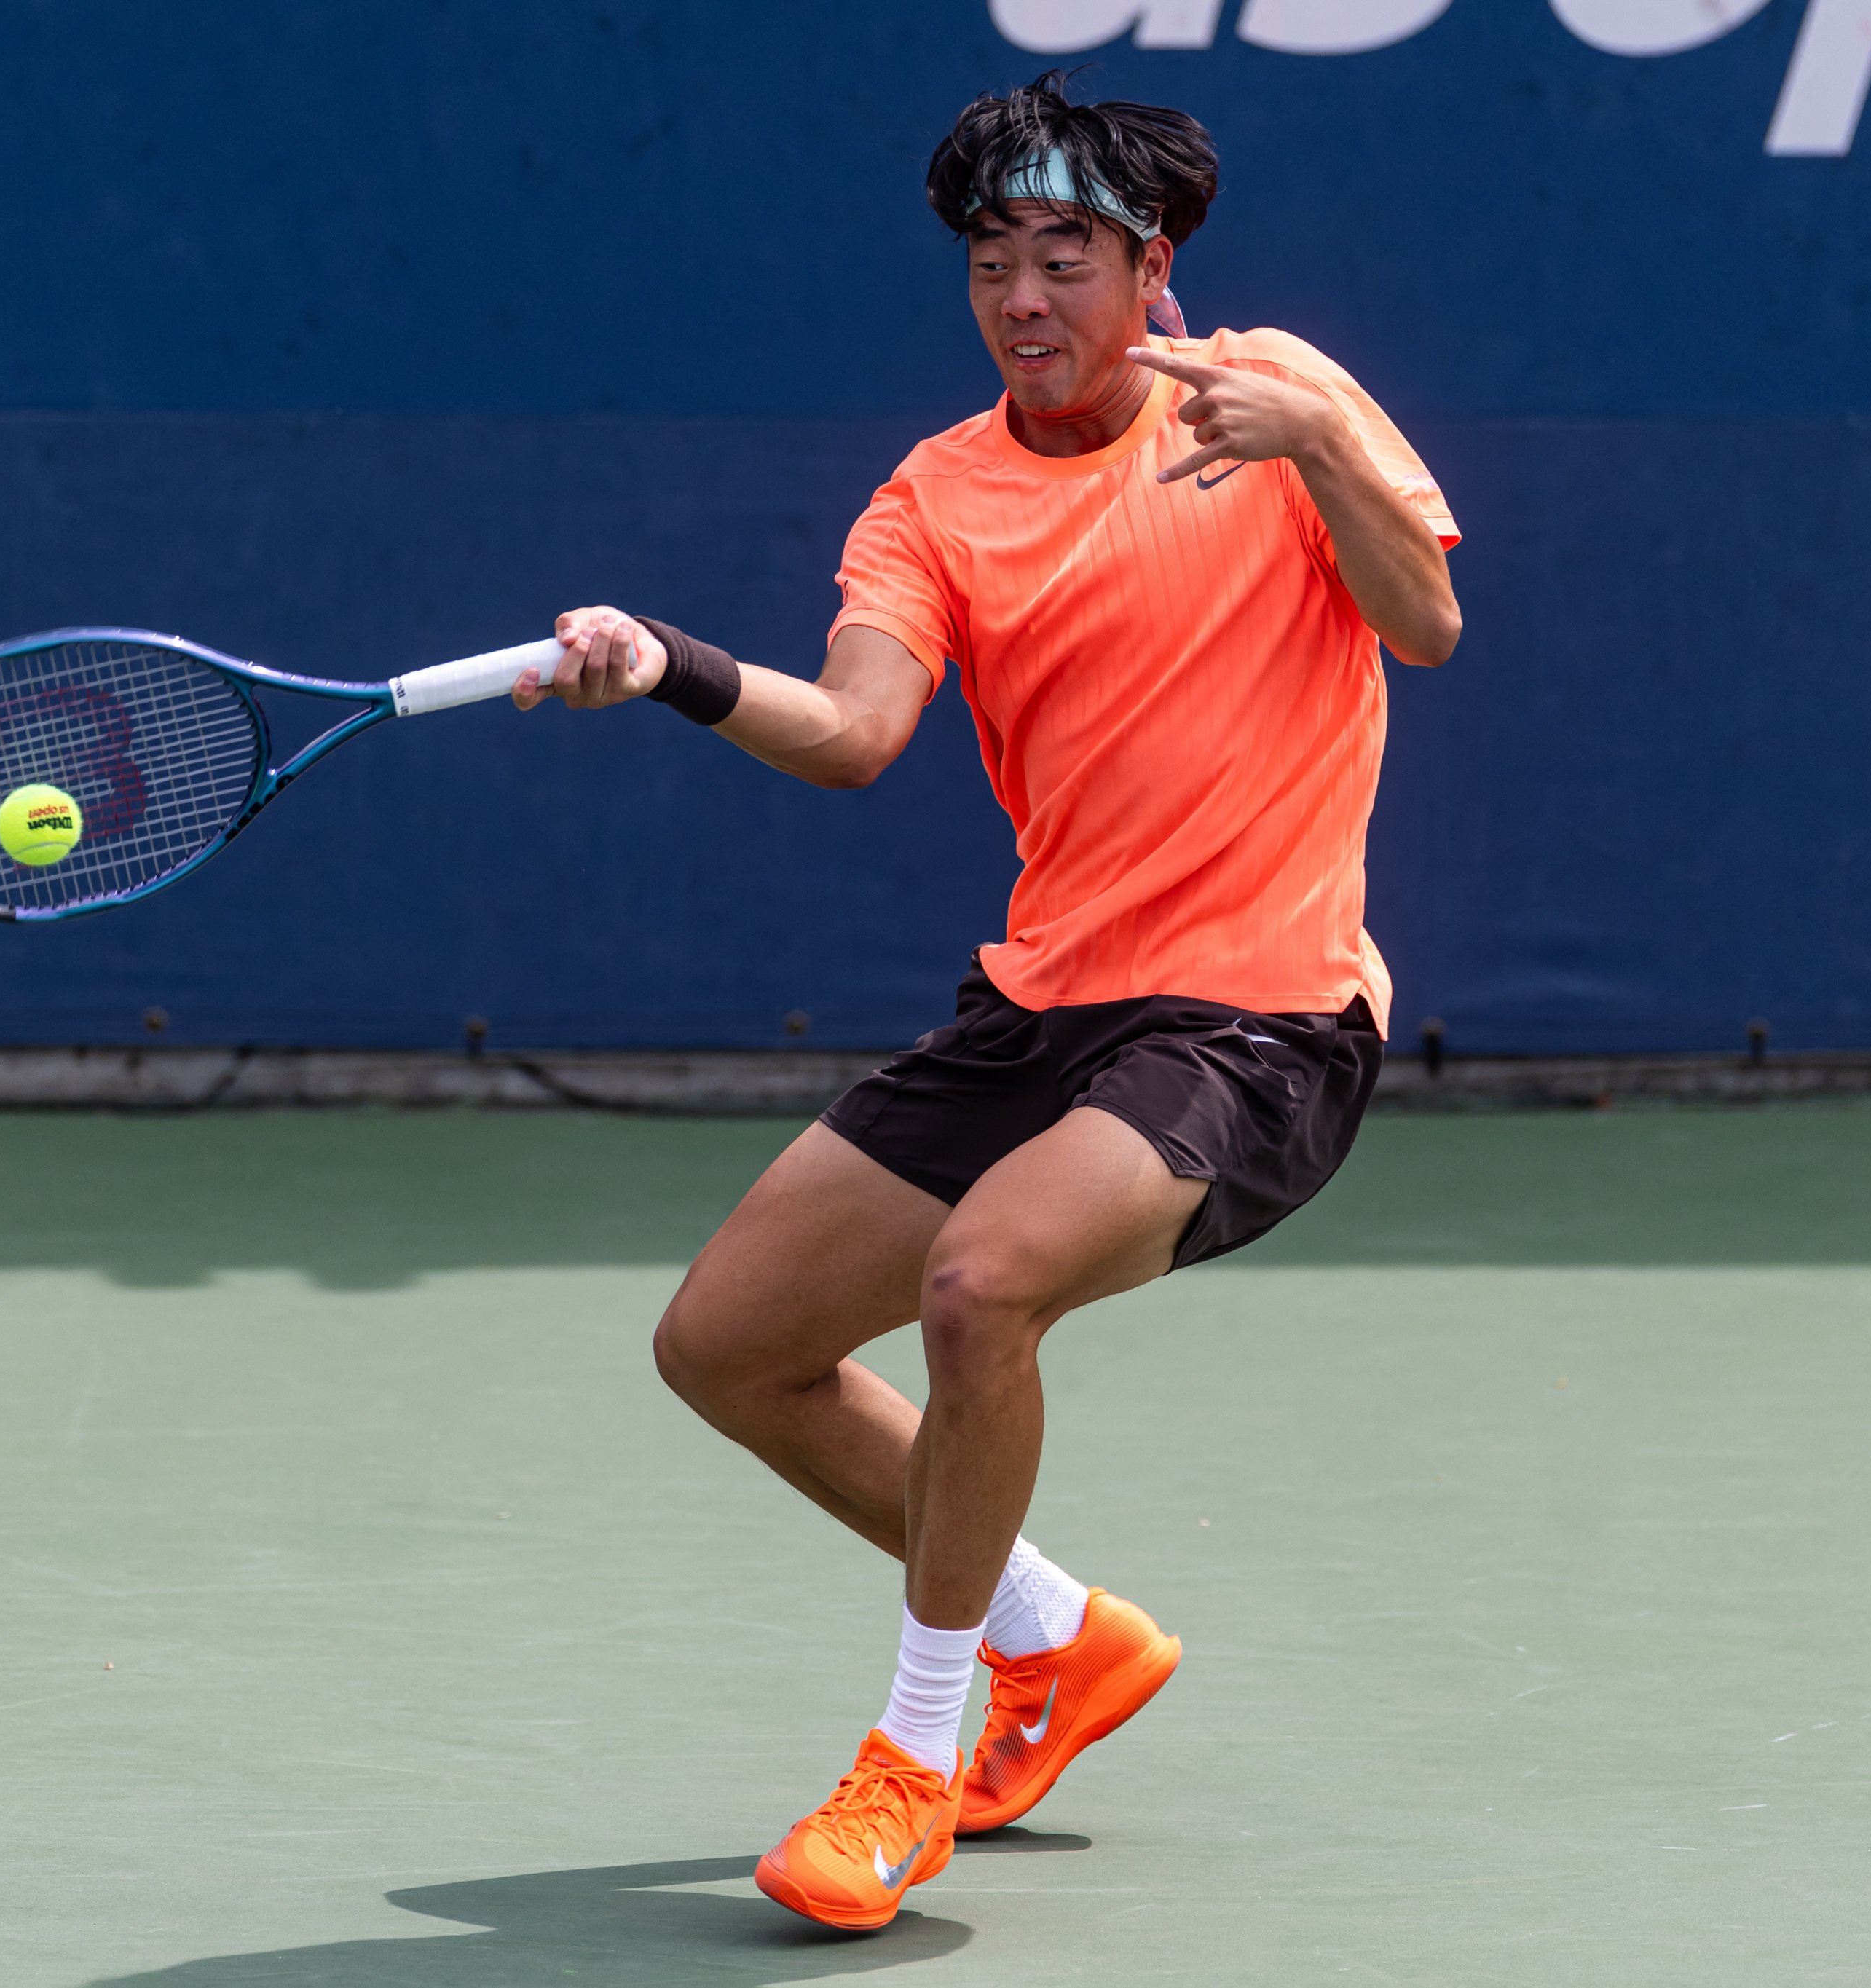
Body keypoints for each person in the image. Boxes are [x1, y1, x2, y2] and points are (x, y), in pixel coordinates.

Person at [516, 72, 1462, 1931]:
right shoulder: (935, 495)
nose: (1024, 298)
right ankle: (1055, 1639)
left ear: (1148, 271)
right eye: (991, 262)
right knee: (725, 1345)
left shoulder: (1278, 391)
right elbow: (854, 732)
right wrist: (670, 668)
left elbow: (1419, 626)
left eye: (1064, 258)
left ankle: (914, 1756)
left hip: (1258, 1017)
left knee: (979, 1285)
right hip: (1045, 1010)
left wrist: (1318, 448)